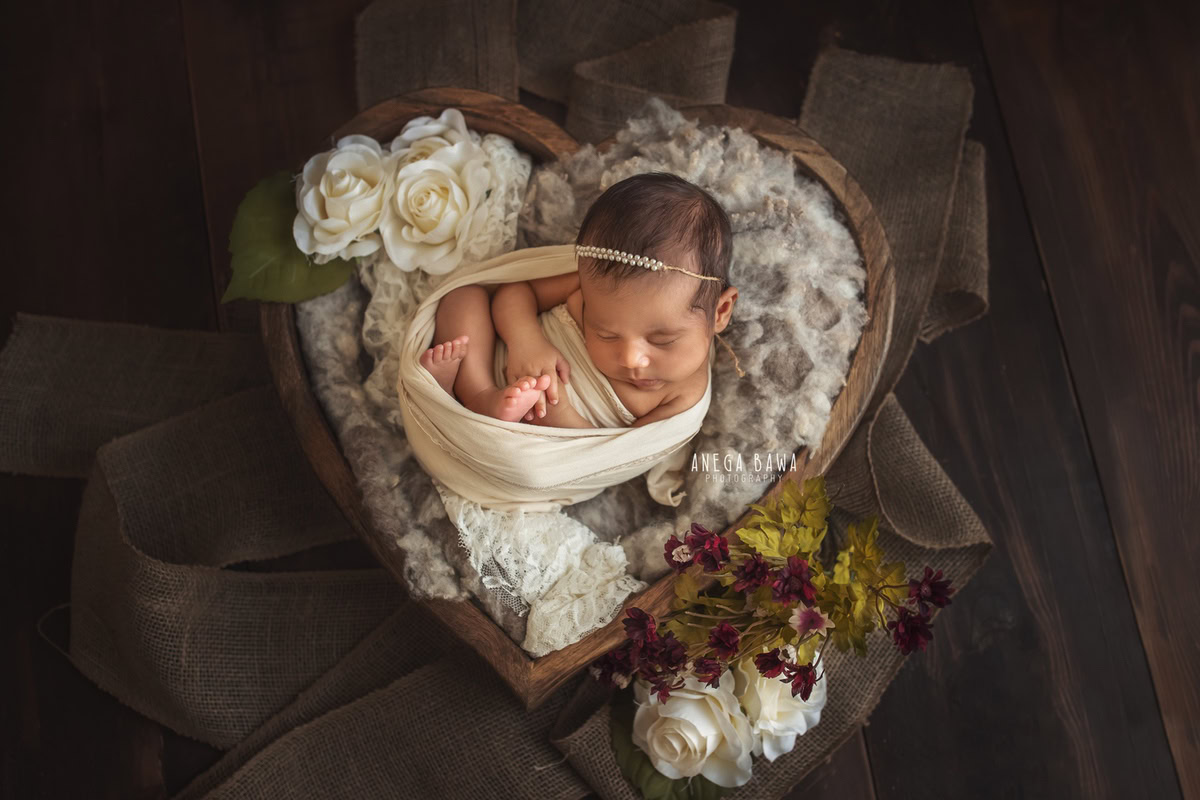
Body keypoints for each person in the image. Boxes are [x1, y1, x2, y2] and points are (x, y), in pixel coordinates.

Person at [418, 171, 739, 428]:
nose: (630, 358)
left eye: (663, 340)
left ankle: (461, 406)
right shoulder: (594, 284)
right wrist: (525, 339)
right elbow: (515, 292)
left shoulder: (685, 396)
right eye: (605, 332)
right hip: (495, 361)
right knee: (463, 297)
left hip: (549, 438)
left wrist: (565, 419)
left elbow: (616, 460)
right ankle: (476, 394)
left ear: (721, 311)